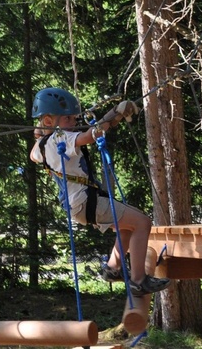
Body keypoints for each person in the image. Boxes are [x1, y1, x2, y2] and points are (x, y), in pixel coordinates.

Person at [29, 87, 170, 297]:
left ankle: (113, 268)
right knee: (142, 222)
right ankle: (138, 281)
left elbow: (34, 156)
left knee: (128, 226)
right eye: (68, 119)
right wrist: (114, 114)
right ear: (50, 121)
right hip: (86, 202)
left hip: (80, 203)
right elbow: (89, 136)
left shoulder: (42, 145)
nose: (74, 123)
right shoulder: (60, 138)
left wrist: (114, 116)